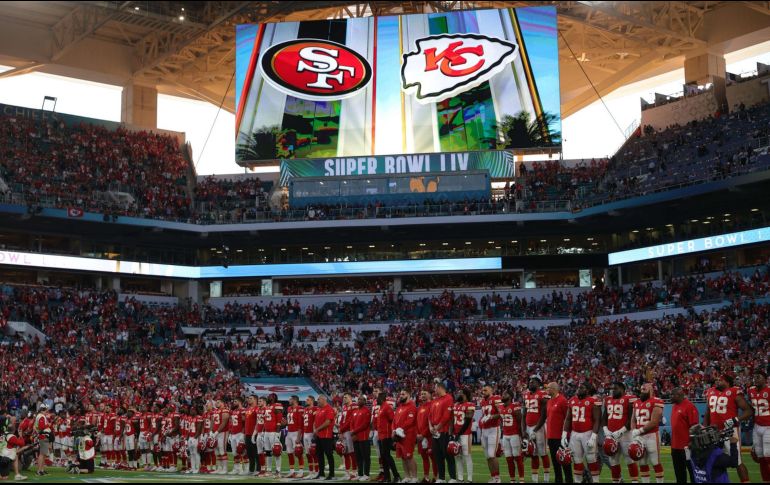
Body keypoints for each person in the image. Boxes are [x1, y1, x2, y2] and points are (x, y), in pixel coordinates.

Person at [704, 374, 753, 483]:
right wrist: (705, 428)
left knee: (737, 462)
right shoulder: (711, 391)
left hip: (730, 431)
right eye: (716, 380)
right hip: (714, 432)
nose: (717, 382)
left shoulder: (734, 391)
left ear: (727, 382)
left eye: (720, 380)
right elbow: (707, 413)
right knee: (715, 460)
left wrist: (736, 420)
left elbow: (749, 411)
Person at [563, 381, 601, 482]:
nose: (579, 389)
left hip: (588, 433)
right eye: (579, 387)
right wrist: (564, 435)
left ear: (588, 390)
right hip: (575, 434)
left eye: (582, 388)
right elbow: (568, 419)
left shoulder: (593, 401)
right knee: (576, 460)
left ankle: (596, 481)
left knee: (591, 459)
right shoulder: (572, 400)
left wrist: (593, 436)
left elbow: (597, 420)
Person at [603, 381, 639, 483]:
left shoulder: (629, 399)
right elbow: (604, 417)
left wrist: (621, 431)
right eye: (612, 389)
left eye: (615, 389)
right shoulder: (608, 400)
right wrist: (605, 429)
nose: (613, 391)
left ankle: (634, 482)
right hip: (611, 435)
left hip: (625, 435)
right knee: (613, 461)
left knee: (630, 460)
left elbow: (632, 418)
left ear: (622, 389)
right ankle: (616, 481)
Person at [631, 383, 665, 483]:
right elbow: (633, 420)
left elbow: (654, 421)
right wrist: (634, 431)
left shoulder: (656, 401)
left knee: (655, 462)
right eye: (641, 389)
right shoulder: (636, 402)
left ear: (650, 390)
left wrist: (640, 430)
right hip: (639, 437)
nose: (641, 392)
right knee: (642, 463)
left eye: (644, 390)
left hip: (652, 436)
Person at [523, 375, 551, 483]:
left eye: (533, 382)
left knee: (543, 453)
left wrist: (535, 430)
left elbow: (544, 415)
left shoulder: (543, 394)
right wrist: (524, 430)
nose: (530, 383)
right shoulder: (526, 395)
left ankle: (546, 479)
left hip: (539, 427)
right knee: (533, 454)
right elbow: (524, 413)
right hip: (529, 427)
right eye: (530, 381)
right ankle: (535, 480)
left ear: (539, 384)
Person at [670, 387, 699, 484]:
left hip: (687, 447)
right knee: (679, 474)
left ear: (678, 395)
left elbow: (695, 427)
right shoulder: (674, 406)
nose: (670, 397)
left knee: (693, 472)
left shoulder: (689, 406)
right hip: (675, 446)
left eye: (672, 395)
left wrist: (691, 442)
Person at [545, 382, 572, 483]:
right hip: (551, 436)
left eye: (548, 388)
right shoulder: (549, 401)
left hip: (560, 436)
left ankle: (569, 480)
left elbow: (568, 418)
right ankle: (558, 480)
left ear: (554, 389)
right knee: (555, 462)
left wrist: (566, 435)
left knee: (564, 461)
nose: (547, 390)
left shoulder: (563, 400)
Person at [429, 382, 456, 483]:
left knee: (448, 455)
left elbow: (447, 416)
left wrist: (437, 427)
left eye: (435, 388)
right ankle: (441, 478)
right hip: (435, 432)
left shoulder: (448, 398)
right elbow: (429, 416)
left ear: (440, 388)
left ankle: (453, 478)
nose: (434, 390)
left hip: (444, 431)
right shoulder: (435, 400)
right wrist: (431, 427)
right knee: (438, 456)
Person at [499, 388, 525, 483]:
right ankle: (512, 480)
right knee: (509, 459)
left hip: (515, 435)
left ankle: (521, 480)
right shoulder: (501, 407)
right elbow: (502, 422)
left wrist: (522, 436)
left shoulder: (515, 406)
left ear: (510, 396)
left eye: (505, 394)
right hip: (505, 435)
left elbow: (520, 422)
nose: (502, 396)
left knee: (517, 458)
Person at [749, 370, 770, 483]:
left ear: (765, 379)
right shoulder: (751, 390)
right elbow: (752, 409)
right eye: (755, 377)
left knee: (768, 457)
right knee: (759, 457)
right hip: (757, 426)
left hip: (768, 427)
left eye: (759, 377)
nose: (756, 379)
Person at [480, 385, 503, 483]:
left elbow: (502, 413)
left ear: (491, 390)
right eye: (482, 390)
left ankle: (497, 477)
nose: (483, 391)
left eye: (485, 390)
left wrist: (491, 417)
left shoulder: (496, 398)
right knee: (487, 456)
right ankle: (493, 477)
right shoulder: (482, 401)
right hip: (484, 430)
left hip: (494, 429)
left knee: (491, 454)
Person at [393, 390, 417, 483]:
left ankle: (414, 477)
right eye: (400, 394)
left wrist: (401, 429)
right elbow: (394, 420)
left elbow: (410, 421)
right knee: (403, 456)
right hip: (399, 436)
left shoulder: (412, 407)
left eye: (403, 394)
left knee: (409, 456)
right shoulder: (399, 407)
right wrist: (394, 430)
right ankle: (407, 476)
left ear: (409, 395)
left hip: (408, 435)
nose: (401, 396)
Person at [453, 388, 475, 482]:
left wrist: (459, 433)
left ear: (465, 395)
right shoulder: (456, 405)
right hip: (456, 434)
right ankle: (460, 478)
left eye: (461, 393)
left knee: (467, 455)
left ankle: (469, 479)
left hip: (465, 434)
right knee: (457, 456)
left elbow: (467, 421)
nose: (459, 394)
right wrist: (452, 434)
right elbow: (452, 421)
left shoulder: (470, 405)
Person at [377, 392, 400, 483]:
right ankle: (387, 477)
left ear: (382, 398)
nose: (376, 400)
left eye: (378, 398)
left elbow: (392, 420)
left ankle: (396, 475)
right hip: (381, 435)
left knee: (387, 456)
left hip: (386, 435)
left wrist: (392, 433)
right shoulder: (381, 407)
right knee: (384, 457)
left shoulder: (386, 407)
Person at [313, 395, 336, 480]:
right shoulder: (319, 409)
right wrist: (315, 430)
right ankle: (321, 473)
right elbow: (315, 422)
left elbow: (328, 422)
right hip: (319, 435)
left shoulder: (329, 409)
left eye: (318, 399)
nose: (317, 401)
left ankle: (332, 474)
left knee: (329, 454)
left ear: (323, 400)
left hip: (326, 435)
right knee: (319, 455)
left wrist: (317, 429)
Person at [416, 390, 437, 483]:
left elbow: (432, 422)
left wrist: (423, 434)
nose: (423, 395)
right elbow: (416, 423)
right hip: (420, 437)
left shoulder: (432, 405)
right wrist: (417, 434)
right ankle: (426, 477)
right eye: (421, 394)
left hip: (429, 436)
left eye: (425, 393)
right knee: (424, 457)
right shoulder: (420, 407)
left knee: (433, 457)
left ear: (430, 395)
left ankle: (436, 477)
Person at [0, 417, 28, 481]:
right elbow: (22, 444)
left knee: (15, 456)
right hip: (4, 458)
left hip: (2, 456)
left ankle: (17, 475)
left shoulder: (3, 435)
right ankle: (17, 475)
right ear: (14, 430)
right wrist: (20, 435)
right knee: (4, 478)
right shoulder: (12, 437)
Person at [351, 395, 371, 481]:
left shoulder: (367, 411)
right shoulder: (355, 411)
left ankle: (366, 475)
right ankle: (360, 474)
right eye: (358, 399)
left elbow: (365, 424)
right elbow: (351, 422)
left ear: (365, 401)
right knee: (358, 456)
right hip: (355, 437)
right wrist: (352, 432)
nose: (359, 401)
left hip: (363, 437)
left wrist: (354, 431)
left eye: (361, 399)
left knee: (366, 456)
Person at [285, 395, 305, 478]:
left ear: (295, 400)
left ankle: (301, 471)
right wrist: (284, 422)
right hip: (289, 432)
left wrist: (299, 436)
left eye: (290, 399)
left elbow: (301, 423)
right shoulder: (289, 409)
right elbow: (290, 421)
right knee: (289, 452)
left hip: (296, 432)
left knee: (298, 452)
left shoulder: (300, 408)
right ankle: (292, 471)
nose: (289, 400)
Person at [339, 393, 358, 480]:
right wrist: (340, 431)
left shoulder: (354, 406)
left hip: (350, 431)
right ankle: (347, 473)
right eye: (343, 397)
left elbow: (351, 420)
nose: (344, 399)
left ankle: (354, 472)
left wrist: (342, 429)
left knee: (351, 452)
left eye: (346, 397)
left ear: (350, 398)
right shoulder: (344, 407)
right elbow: (342, 419)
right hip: (344, 431)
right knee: (345, 452)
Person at [33, 404, 51, 477]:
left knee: (43, 454)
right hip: (43, 436)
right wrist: (49, 424)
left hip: (43, 436)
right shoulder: (41, 416)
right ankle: (39, 471)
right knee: (42, 454)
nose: (47, 411)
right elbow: (42, 427)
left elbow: (35, 427)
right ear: (44, 409)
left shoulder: (40, 416)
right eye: (46, 409)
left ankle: (42, 470)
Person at [302, 396, 318, 478]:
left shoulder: (315, 409)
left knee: (314, 453)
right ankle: (311, 472)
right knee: (308, 453)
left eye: (307, 400)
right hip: (305, 433)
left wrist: (315, 432)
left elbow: (316, 420)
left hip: (311, 433)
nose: (306, 401)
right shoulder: (305, 410)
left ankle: (316, 471)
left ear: (312, 401)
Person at [243, 396, 259, 476]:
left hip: (255, 433)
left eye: (251, 398)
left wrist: (255, 433)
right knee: (249, 453)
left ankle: (258, 469)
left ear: (255, 400)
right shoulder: (247, 409)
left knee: (256, 452)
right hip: (247, 433)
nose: (249, 399)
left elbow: (258, 421)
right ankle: (251, 469)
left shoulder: (257, 409)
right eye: (248, 398)